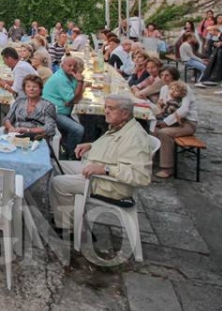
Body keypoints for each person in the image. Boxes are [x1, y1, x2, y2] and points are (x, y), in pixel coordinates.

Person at [49, 95, 152, 230]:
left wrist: (105, 169)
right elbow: (114, 146)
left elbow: (142, 176)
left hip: (110, 184)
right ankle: (66, 212)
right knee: (55, 165)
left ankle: (67, 228)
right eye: (105, 107)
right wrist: (91, 145)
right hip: (94, 169)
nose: (106, 111)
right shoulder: (121, 126)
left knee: (58, 183)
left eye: (111, 108)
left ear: (125, 113)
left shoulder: (136, 138)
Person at [43, 56, 86, 158]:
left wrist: (73, 99)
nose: (72, 68)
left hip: (62, 110)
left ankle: (68, 147)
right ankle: (70, 155)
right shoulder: (61, 79)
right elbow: (72, 98)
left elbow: (76, 98)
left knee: (83, 125)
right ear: (62, 66)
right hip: (53, 111)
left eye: (74, 66)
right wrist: (80, 83)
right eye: (69, 65)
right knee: (78, 129)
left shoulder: (70, 76)